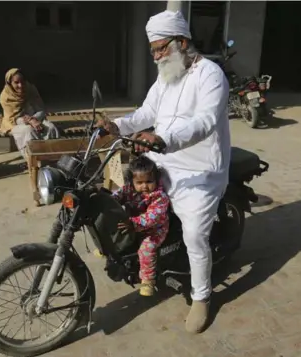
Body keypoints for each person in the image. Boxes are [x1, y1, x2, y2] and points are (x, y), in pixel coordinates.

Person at [96, 10, 231, 333]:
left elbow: (205, 122)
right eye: (153, 50)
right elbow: (147, 112)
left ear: (182, 42)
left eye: (160, 49)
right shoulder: (167, 76)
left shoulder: (211, 75)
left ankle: (201, 297)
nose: (156, 56)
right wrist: (118, 125)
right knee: (127, 196)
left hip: (200, 171)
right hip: (164, 160)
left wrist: (162, 138)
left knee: (195, 234)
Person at [111, 156, 170, 297]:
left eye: (149, 181)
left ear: (156, 180)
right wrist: (108, 200)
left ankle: (148, 280)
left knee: (146, 249)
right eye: (139, 182)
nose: (144, 186)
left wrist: (134, 223)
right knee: (118, 226)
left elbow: (152, 217)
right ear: (132, 181)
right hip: (134, 224)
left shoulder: (159, 197)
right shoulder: (129, 189)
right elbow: (117, 195)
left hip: (155, 229)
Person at [0, 68, 60, 158]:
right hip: (15, 123)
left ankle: (51, 158)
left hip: (36, 118)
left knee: (51, 128)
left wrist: (34, 119)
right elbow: (14, 118)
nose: (20, 85)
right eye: (16, 82)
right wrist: (30, 121)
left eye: (22, 81)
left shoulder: (30, 89)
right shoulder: (5, 97)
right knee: (28, 131)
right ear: (9, 83)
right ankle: (32, 160)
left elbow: (41, 109)